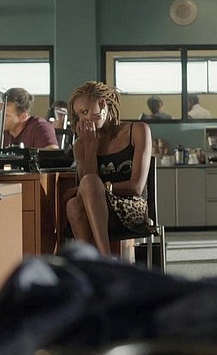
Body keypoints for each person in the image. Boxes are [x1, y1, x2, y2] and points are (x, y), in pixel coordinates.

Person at [64, 81, 153, 255]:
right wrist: (90, 146)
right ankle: (98, 263)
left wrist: (100, 188)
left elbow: (136, 187)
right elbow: (87, 188)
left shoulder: (137, 130)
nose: (83, 119)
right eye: (79, 115)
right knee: (74, 205)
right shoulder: (81, 144)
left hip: (132, 206)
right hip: (97, 208)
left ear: (102, 104)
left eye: (85, 111)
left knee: (88, 185)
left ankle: (100, 259)